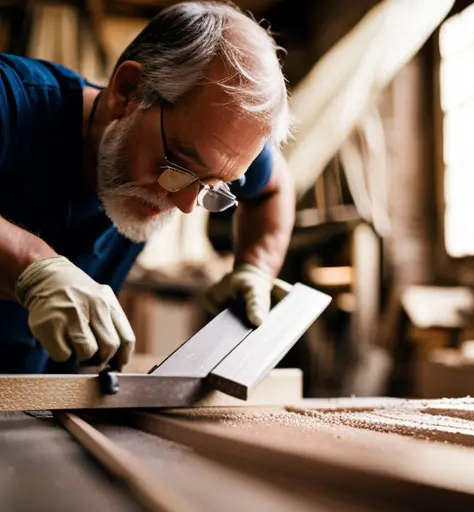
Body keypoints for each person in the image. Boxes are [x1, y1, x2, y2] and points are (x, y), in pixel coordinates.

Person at [0, 0, 295, 374]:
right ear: (128, 91)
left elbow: (275, 186)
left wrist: (257, 267)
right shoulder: (13, 100)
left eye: (213, 187)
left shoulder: (213, 150)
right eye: (178, 166)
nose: (187, 205)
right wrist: (32, 266)